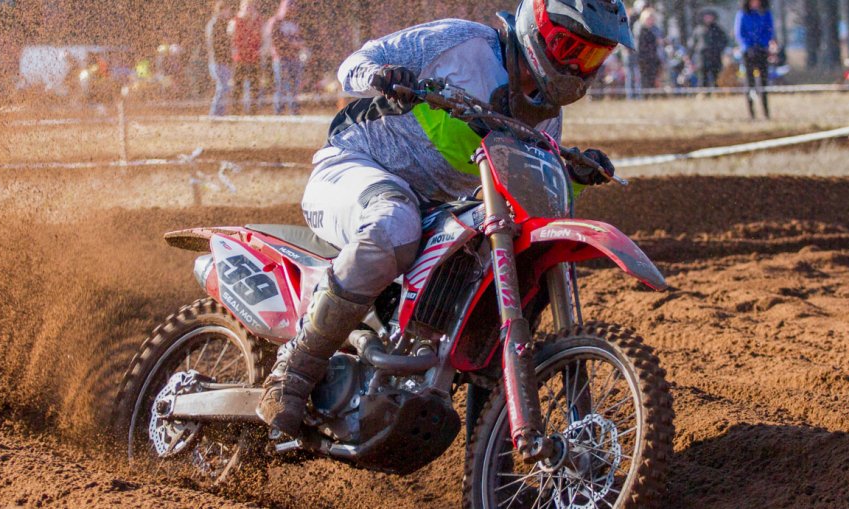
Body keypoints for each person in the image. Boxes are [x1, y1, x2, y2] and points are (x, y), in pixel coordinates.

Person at [256, 0, 632, 435]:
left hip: (438, 206)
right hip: (357, 165)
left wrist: (572, 176)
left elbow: (528, 195)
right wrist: (383, 76)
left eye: (592, 57)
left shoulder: (546, 116)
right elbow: (353, 65)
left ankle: (491, 449)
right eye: (572, 50)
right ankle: (294, 370)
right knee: (394, 224)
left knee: (502, 261)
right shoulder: (462, 43)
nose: (578, 68)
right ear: (538, 29)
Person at [735, 0, 775, 119]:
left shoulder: (766, 13)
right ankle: (751, 114)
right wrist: (748, 47)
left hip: (762, 51)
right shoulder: (742, 14)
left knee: (763, 83)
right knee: (749, 82)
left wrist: (762, 44)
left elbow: (769, 30)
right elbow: (740, 33)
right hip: (747, 53)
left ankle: (766, 113)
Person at [265, 0, 305, 115]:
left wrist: (299, 45)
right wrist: (291, 44)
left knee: (294, 85)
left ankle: (294, 109)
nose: (291, 9)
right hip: (281, 58)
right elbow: (274, 39)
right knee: (281, 85)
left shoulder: (294, 22)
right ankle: (279, 110)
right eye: (288, 6)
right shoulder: (275, 21)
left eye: (293, 6)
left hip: (294, 58)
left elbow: (300, 38)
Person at [228, 0, 264, 114]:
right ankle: (235, 111)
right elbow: (229, 40)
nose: (249, 8)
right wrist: (233, 53)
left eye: (251, 6)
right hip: (239, 58)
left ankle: (253, 111)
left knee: (255, 85)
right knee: (237, 86)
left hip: (254, 58)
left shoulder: (258, 21)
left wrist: (261, 52)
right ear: (241, 7)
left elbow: (264, 38)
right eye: (246, 6)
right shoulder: (234, 21)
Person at [205, 0, 234, 116]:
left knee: (224, 87)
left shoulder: (219, 23)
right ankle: (214, 114)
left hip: (220, 61)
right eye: (227, 10)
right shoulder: (216, 24)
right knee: (223, 87)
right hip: (218, 62)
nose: (229, 12)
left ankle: (220, 113)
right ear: (222, 10)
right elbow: (216, 45)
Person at [688, 9, 728, 90]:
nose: (708, 19)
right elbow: (692, 44)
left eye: (710, 17)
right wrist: (689, 56)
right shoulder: (698, 30)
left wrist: (719, 48)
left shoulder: (718, 29)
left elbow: (725, 41)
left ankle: (716, 92)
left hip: (715, 56)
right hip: (702, 57)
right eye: (706, 17)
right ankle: (703, 92)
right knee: (703, 76)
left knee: (716, 75)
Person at [633, 7, 663, 92]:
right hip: (643, 59)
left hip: (652, 58)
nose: (651, 21)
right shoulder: (640, 29)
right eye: (649, 19)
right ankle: (642, 96)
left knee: (652, 79)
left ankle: (650, 95)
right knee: (643, 80)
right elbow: (640, 45)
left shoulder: (654, 29)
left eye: (652, 19)